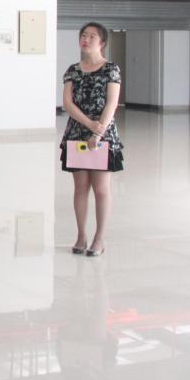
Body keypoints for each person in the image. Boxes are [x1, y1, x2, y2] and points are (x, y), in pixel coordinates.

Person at [61, 21, 123, 257]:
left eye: (92, 36)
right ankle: (81, 236)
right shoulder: (72, 70)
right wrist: (89, 125)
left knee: (101, 189)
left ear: (102, 43)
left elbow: (112, 103)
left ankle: (99, 238)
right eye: (83, 35)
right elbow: (68, 104)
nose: (86, 39)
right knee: (80, 188)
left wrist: (98, 132)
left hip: (103, 135)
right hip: (77, 133)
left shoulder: (111, 69)